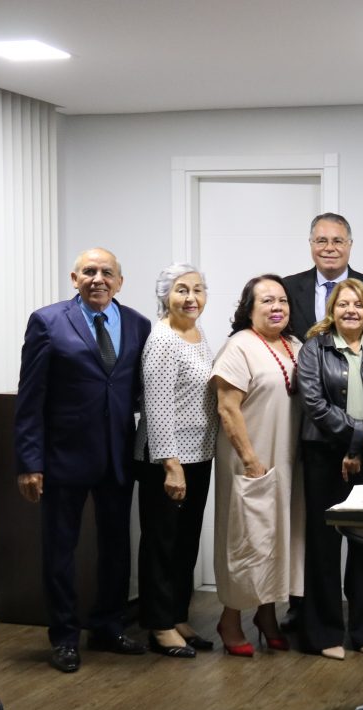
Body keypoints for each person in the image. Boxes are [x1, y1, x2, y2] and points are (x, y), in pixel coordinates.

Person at [15, 247, 152, 673]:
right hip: (63, 458)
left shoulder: (138, 324)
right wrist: (29, 462)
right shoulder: (48, 322)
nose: (98, 279)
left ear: (120, 282)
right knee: (60, 552)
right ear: (74, 279)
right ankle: (64, 637)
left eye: (107, 272)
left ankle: (108, 626)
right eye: (89, 271)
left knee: (116, 548)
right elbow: (30, 397)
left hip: (117, 457)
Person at [298, 278, 363, 659]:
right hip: (324, 455)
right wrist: (359, 437)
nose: (351, 311)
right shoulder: (314, 347)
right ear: (332, 310)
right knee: (323, 546)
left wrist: (362, 444)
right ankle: (323, 633)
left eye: (358, 304)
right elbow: (315, 404)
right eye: (343, 304)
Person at [211, 275, 306, 657]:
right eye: (266, 300)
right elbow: (227, 408)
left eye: (282, 300)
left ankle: (267, 616)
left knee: (277, 539)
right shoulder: (239, 346)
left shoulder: (295, 346)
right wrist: (250, 459)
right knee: (247, 540)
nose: (276, 307)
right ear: (249, 308)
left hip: (287, 460)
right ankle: (230, 619)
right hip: (251, 460)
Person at [132, 264, 218, 659]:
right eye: (182, 290)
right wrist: (171, 464)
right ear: (165, 295)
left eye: (198, 289)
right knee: (162, 543)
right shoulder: (163, 339)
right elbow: (157, 406)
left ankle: (177, 615)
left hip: (199, 455)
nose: (191, 298)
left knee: (185, 542)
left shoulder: (197, 334)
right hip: (167, 460)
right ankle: (159, 625)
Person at [285, 213, 363, 340]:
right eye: (321, 241)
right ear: (311, 243)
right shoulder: (288, 288)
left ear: (350, 244)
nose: (329, 248)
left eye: (337, 241)